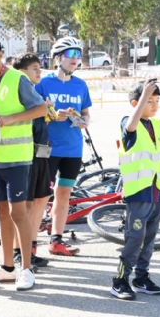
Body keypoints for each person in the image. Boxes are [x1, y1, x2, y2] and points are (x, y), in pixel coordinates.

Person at [0, 34, 46, 291]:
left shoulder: (18, 78)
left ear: (0, 55)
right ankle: (7, 267)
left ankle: (26, 268)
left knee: (18, 213)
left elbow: (41, 109)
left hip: (18, 159)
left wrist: (12, 118)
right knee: (2, 213)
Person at [111, 80, 160, 300]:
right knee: (135, 237)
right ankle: (119, 281)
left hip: (157, 191)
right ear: (137, 103)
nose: (155, 105)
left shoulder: (158, 125)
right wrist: (145, 92)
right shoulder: (129, 121)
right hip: (139, 192)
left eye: (157, 101)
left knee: (149, 238)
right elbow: (130, 126)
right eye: (150, 101)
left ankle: (141, 277)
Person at [34, 37, 92, 256]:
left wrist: (85, 121)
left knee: (64, 194)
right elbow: (34, 115)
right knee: (41, 197)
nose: (75, 59)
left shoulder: (80, 85)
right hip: (48, 149)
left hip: (73, 149)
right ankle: (30, 245)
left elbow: (86, 111)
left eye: (78, 54)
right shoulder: (43, 83)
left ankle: (56, 240)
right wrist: (51, 116)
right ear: (57, 58)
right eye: (70, 54)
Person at [12, 53, 53, 269]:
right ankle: (19, 252)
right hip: (26, 153)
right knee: (25, 206)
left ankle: (29, 248)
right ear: (21, 71)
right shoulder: (20, 89)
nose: (39, 72)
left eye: (40, 68)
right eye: (34, 68)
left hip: (40, 152)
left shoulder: (35, 93)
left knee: (41, 198)